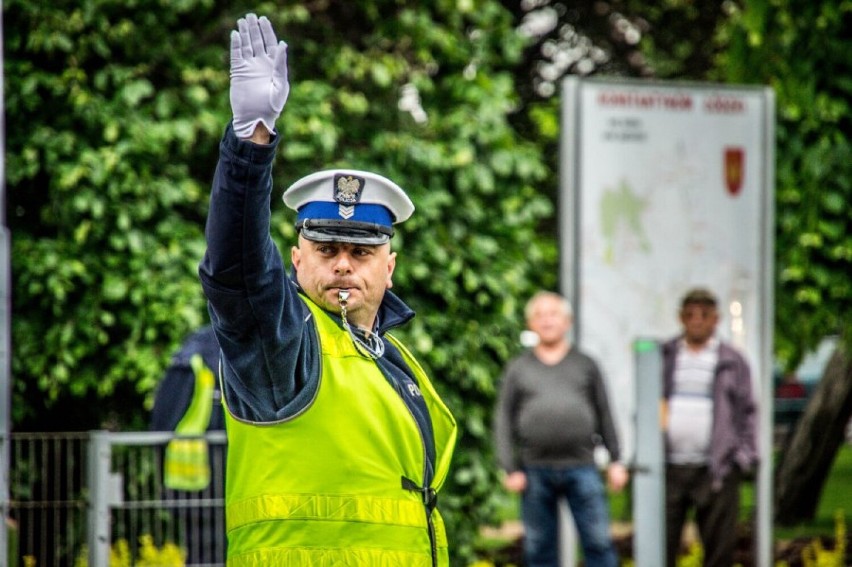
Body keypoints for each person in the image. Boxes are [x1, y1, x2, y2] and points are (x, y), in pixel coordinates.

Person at [197, 13, 458, 566]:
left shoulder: (390, 357)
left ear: (390, 267)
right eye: (326, 251)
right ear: (296, 260)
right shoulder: (284, 342)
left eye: (361, 253)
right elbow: (237, 269)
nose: (343, 265)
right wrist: (252, 143)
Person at [493, 291, 628, 567]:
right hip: (534, 470)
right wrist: (510, 467)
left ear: (568, 322)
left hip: (583, 467)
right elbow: (503, 419)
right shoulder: (518, 368)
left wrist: (616, 460)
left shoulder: (586, 364)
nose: (547, 320)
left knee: (598, 542)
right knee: (538, 547)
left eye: (553, 314)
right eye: (539, 315)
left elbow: (605, 412)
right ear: (530, 323)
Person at [661, 288, 758, 567]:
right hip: (670, 468)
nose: (697, 320)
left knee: (719, 550)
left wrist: (741, 457)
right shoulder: (666, 355)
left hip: (716, 470)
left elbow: (748, 410)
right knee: (661, 546)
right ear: (681, 318)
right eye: (690, 314)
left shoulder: (731, 360)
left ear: (716, 319)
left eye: (705, 315)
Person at [150, 324, 226, 564]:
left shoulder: (195, 349)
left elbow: (162, 421)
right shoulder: (249, 341)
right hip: (226, 475)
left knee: (203, 551)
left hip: (195, 480)